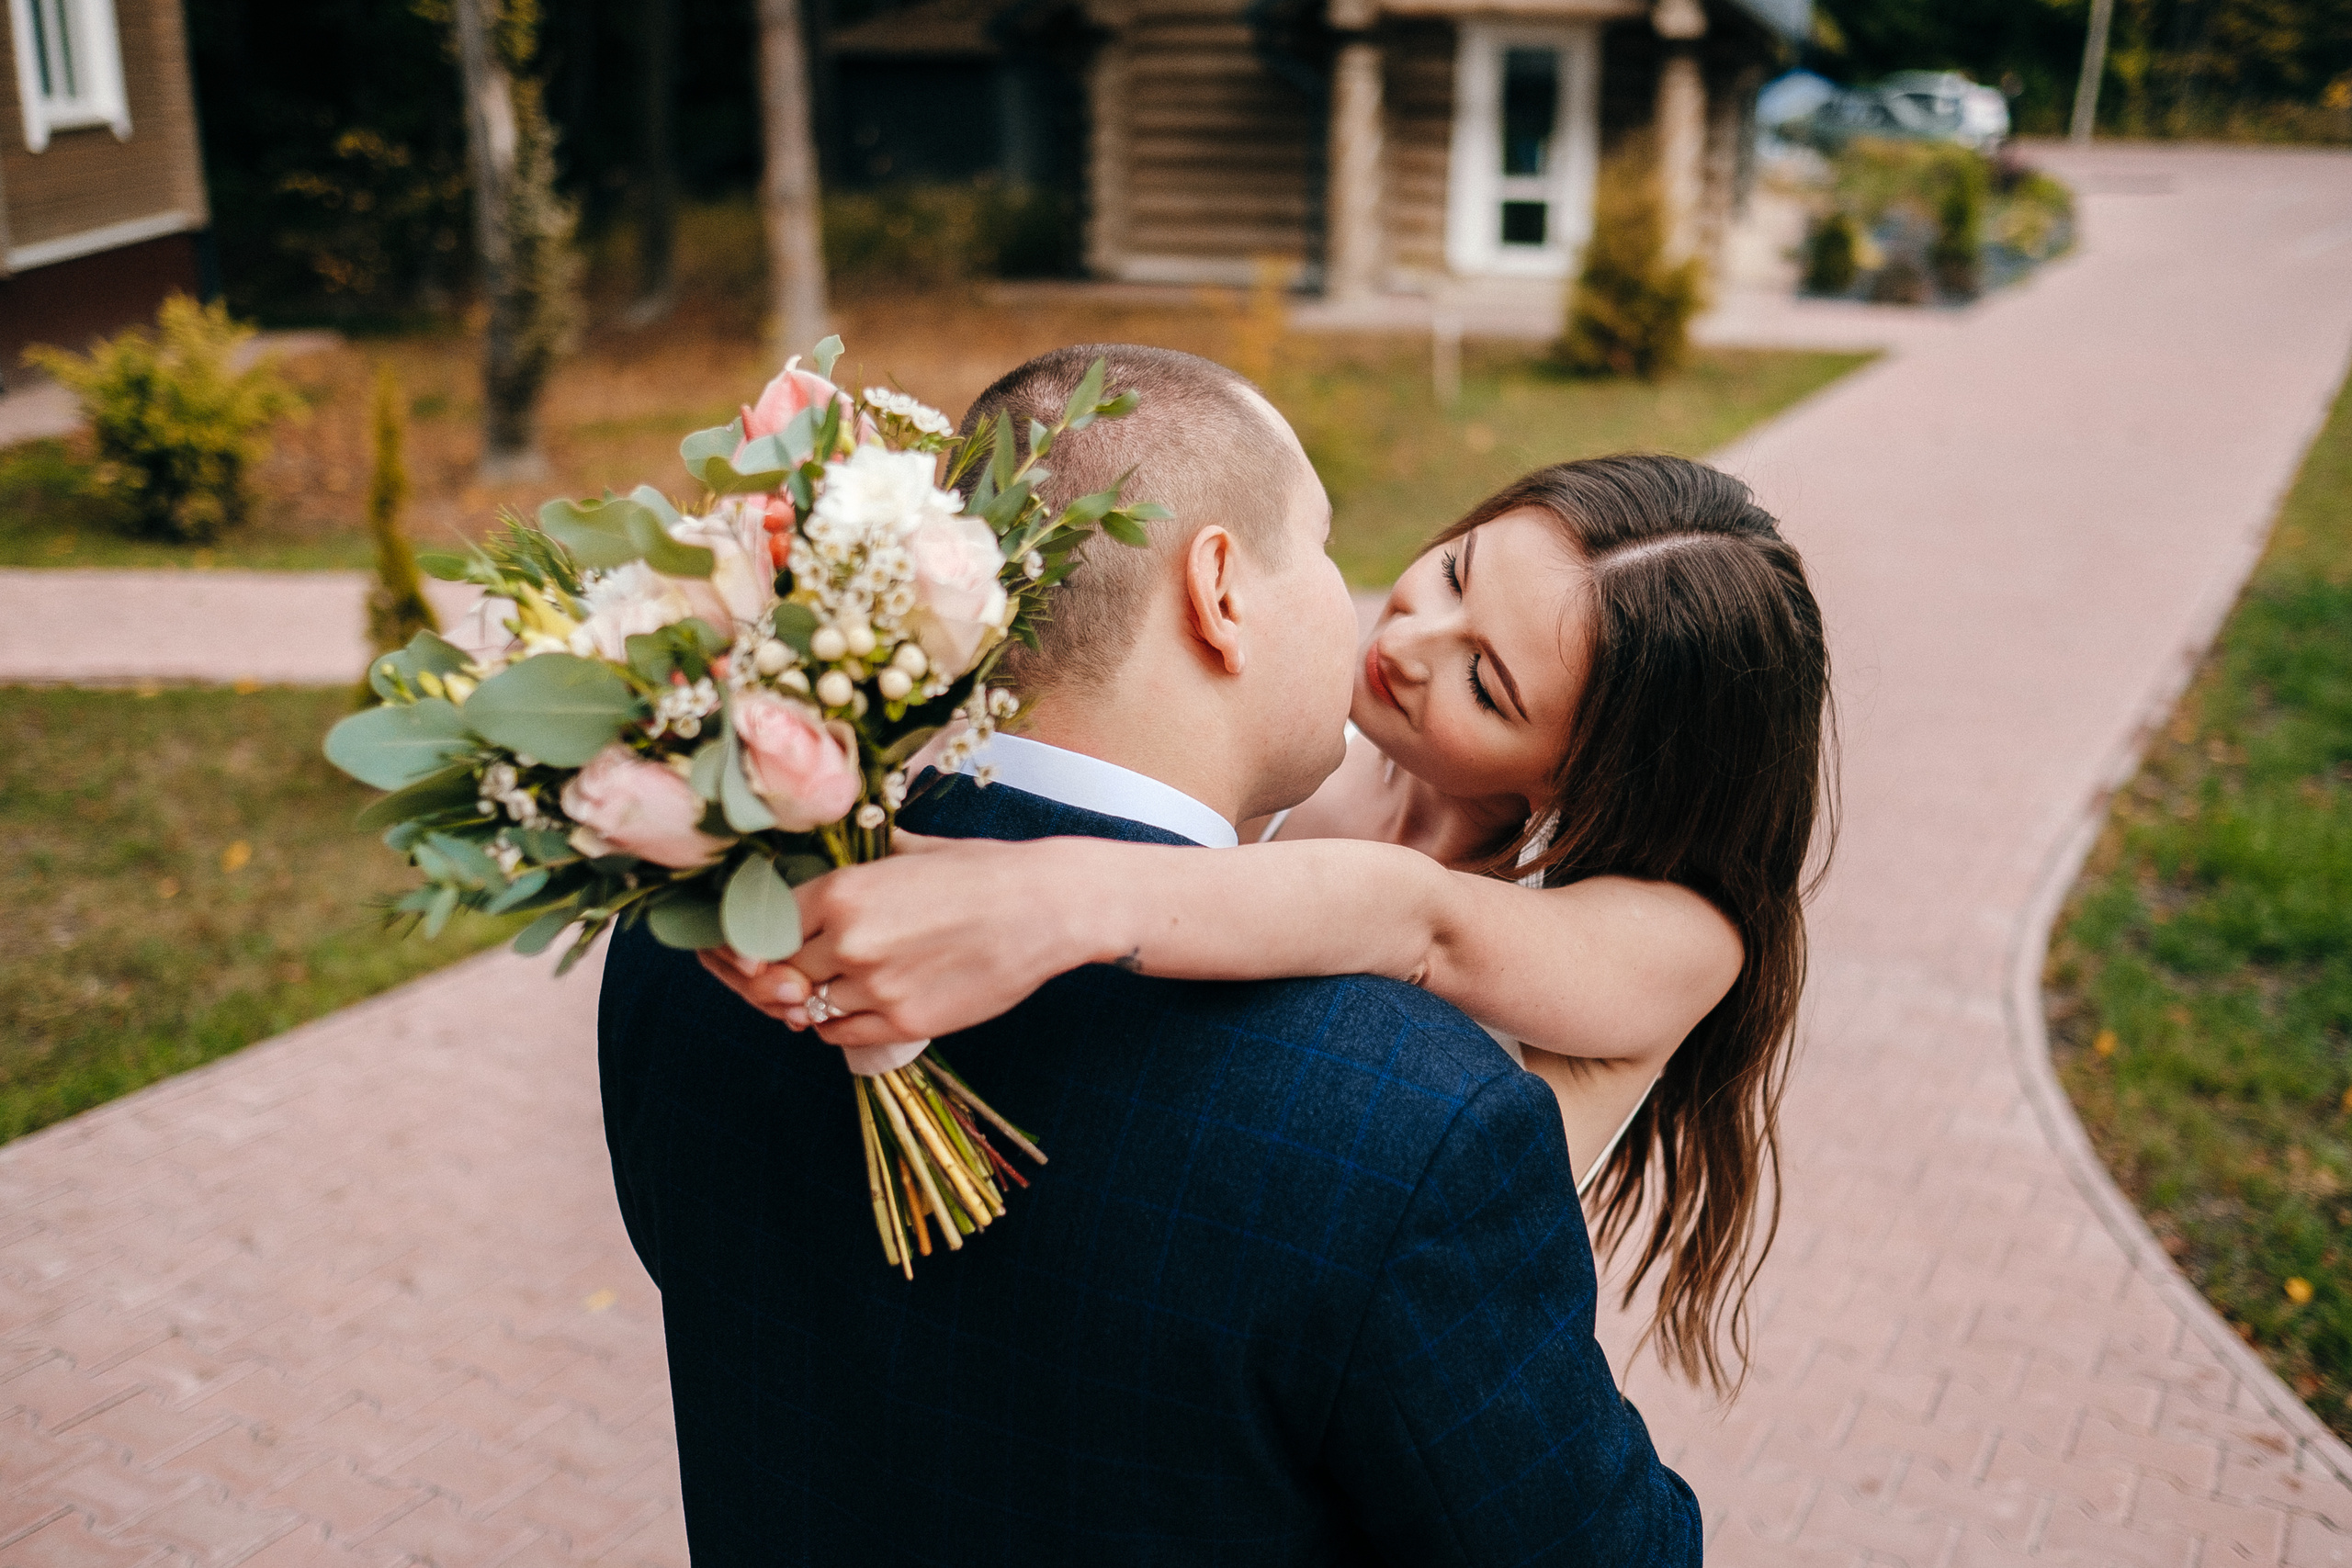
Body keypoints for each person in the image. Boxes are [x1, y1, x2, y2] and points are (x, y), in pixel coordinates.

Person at [601, 343, 1704, 1562]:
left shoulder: (705, 922)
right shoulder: (1413, 1125)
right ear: (1221, 587)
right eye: (1336, 547)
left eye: (1489, 680)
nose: (1389, 630)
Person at [708, 448, 1834, 1399]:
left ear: (1595, 777)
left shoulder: (1677, 941)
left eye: (1485, 685)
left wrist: (1037, 902)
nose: (1404, 642)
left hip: (1369, 1407)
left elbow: (1418, 921)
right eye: (1451, 572)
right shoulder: (1321, 742)